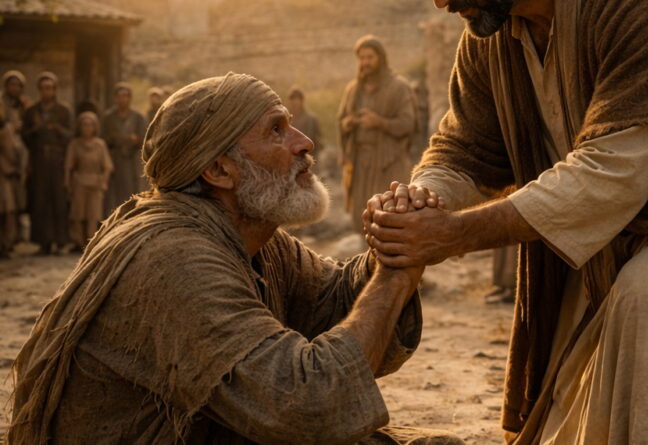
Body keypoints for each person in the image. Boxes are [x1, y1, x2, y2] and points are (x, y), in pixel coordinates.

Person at [364, 0, 648, 443]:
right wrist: (420, 201)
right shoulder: (492, 33)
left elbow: (611, 172)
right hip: (598, 239)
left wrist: (455, 234)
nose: (440, 2)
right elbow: (462, 149)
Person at [9, 73, 462, 445]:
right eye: (277, 130)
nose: (304, 143)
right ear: (219, 171)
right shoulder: (175, 258)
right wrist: (397, 272)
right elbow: (307, 404)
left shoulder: (251, 233)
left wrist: (391, 241)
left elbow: (330, 303)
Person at [338, 35, 416, 233]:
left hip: (387, 163)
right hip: (360, 164)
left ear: (380, 58)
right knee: (361, 218)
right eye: (361, 58)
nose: (365, 62)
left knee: (389, 217)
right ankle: (368, 264)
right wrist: (348, 124)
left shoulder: (399, 87)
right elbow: (342, 120)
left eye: (370, 57)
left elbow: (408, 124)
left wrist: (379, 122)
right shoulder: (353, 90)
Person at [21, 71, 71, 255]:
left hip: (57, 160)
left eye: (49, 88)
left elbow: (71, 135)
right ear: (39, 90)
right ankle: (43, 243)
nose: (46, 91)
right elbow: (24, 137)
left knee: (58, 200)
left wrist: (57, 129)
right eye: (43, 88)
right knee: (40, 200)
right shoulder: (31, 111)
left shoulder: (63, 110)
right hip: (39, 160)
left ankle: (60, 242)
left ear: (55, 89)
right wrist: (36, 129)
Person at [64, 111, 113, 249]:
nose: (88, 128)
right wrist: (67, 183)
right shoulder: (75, 144)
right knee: (78, 214)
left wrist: (103, 182)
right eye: (85, 125)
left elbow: (108, 166)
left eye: (91, 125)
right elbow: (68, 166)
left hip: (95, 182)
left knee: (94, 215)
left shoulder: (100, 144)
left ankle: (90, 243)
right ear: (80, 127)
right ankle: (78, 242)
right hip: (79, 181)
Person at [101, 81, 147, 214]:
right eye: (120, 96)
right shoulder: (108, 117)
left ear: (130, 98)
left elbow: (144, 139)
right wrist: (116, 139)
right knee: (113, 195)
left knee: (132, 193)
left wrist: (135, 140)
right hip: (114, 160)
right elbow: (103, 139)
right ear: (115, 98)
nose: (123, 99)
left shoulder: (138, 117)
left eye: (126, 96)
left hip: (131, 160)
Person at [2, 71, 31, 243]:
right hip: (3, 162)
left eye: (18, 85)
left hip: (19, 161)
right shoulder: (1, 104)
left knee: (17, 204)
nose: (15, 88)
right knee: (6, 206)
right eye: (11, 84)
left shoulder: (23, 106)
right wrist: (9, 129)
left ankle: (11, 241)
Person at [0, 106, 17, 258]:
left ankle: (6, 245)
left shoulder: (6, 129)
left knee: (8, 212)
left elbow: (12, 152)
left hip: (4, 175)